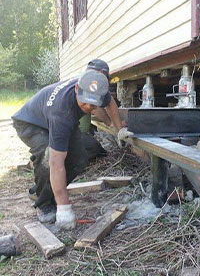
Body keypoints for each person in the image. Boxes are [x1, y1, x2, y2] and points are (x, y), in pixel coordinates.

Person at [12, 69, 133, 229]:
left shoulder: (95, 86)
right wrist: (64, 208)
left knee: (78, 159)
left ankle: (45, 191)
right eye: (85, 101)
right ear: (77, 89)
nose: (89, 107)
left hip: (55, 118)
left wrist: (119, 130)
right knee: (47, 156)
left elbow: (110, 103)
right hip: (31, 123)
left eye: (93, 104)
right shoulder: (61, 112)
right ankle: (44, 204)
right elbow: (56, 162)